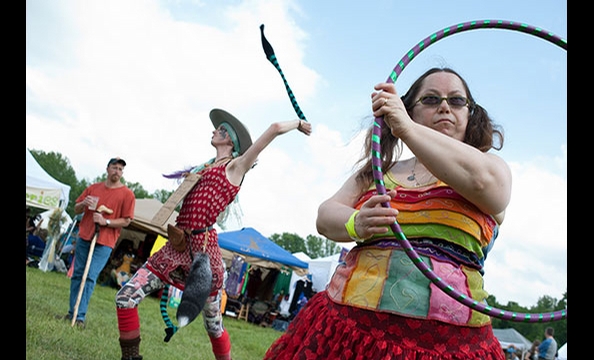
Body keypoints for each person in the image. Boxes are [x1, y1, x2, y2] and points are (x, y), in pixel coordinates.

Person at [264, 67, 512, 359]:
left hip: (448, 344)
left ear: (471, 114)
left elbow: (486, 185)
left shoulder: (489, 167)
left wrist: (405, 128)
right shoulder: (380, 170)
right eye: (431, 99)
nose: (445, 106)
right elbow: (325, 216)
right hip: (348, 330)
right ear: (408, 109)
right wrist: (356, 222)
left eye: (457, 101)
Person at [114, 108, 311, 360]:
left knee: (213, 326)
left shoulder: (236, 167)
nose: (214, 131)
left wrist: (297, 123)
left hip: (203, 256)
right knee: (125, 297)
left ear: (230, 139)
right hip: (176, 247)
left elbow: (272, 128)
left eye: (220, 130)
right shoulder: (204, 168)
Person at [55, 157, 135, 328]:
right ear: (107, 169)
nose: (117, 172)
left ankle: (80, 317)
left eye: (121, 169)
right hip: (85, 236)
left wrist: (106, 222)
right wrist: (84, 203)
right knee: (77, 275)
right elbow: (76, 208)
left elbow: (127, 220)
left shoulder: (127, 194)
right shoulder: (93, 188)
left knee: (89, 276)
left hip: (105, 242)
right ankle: (72, 313)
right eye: (114, 167)